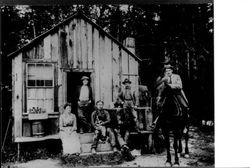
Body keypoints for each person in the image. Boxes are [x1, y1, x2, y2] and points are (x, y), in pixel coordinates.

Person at [117, 78, 139, 143]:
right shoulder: (123, 90)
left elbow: (136, 98)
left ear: (130, 84)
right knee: (126, 116)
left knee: (134, 115)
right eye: (125, 83)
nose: (127, 84)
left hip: (131, 102)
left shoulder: (133, 90)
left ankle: (136, 127)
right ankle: (127, 128)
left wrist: (136, 105)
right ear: (124, 84)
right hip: (125, 102)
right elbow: (118, 97)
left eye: (128, 83)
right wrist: (122, 102)